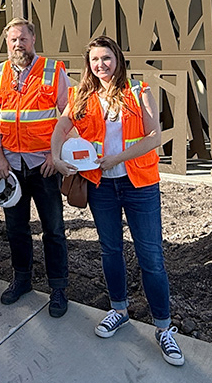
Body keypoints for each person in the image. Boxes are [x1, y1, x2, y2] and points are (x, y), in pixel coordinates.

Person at [51, 35, 184, 366]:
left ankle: (164, 328)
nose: (101, 65)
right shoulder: (84, 96)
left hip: (139, 185)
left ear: (118, 59)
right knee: (110, 249)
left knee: (150, 256)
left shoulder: (139, 92)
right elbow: (61, 126)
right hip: (101, 187)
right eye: (95, 60)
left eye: (106, 58)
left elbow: (155, 137)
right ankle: (119, 309)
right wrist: (56, 156)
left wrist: (117, 158)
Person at [0, 17, 70, 317]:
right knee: (15, 229)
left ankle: (58, 287)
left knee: (54, 229)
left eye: (23, 38)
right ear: (6, 43)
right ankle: (22, 280)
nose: (18, 44)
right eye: (12, 40)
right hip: (11, 167)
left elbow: (68, 116)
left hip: (44, 166)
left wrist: (53, 155)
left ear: (33, 39)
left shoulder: (53, 70)